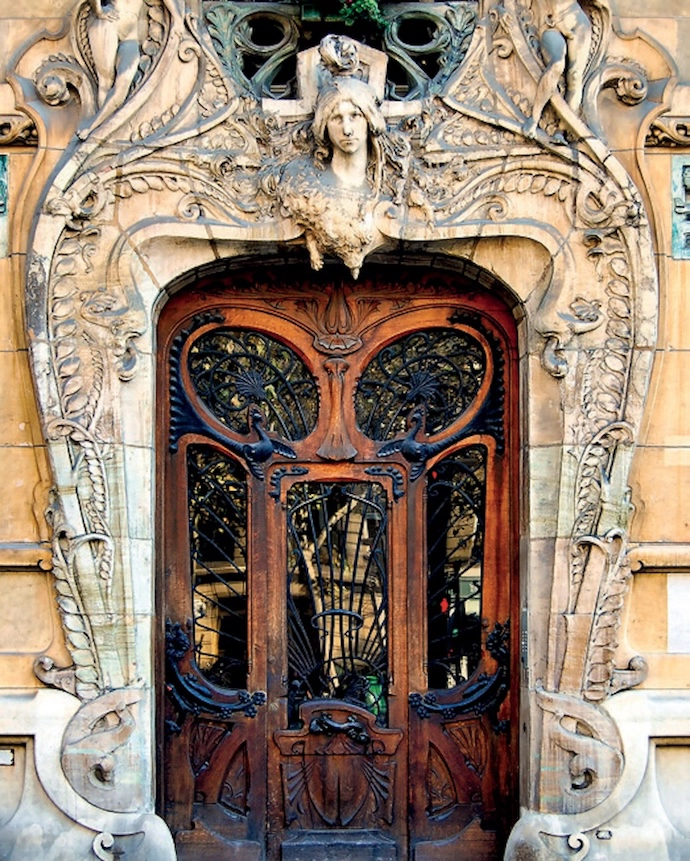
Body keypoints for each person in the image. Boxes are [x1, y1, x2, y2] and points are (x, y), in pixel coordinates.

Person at [523, 0, 592, 139]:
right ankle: (534, 118)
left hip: (577, 22)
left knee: (575, 78)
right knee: (557, 64)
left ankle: (561, 131)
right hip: (550, 23)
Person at [78, 0, 143, 139]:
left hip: (131, 35)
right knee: (105, 83)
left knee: (125, 78)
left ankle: (98, 128)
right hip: (108, 24)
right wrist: (99, 10)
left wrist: (178, 19)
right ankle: (96, 132)